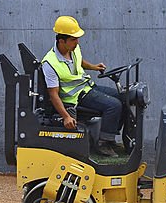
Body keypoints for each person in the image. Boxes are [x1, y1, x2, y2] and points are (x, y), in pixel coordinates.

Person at [42, 15, 123, 148]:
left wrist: (94, 67)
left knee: (123, 97)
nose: (77, 42)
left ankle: (110, 135)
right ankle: (104, 144)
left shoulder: (72, 48)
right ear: (61, 41)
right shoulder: (50, 63)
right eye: (74, 39)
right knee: (114, 105)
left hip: (87, 87)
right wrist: (66, 117)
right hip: (76, 97)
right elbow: (53, 94)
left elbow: (78, 61)